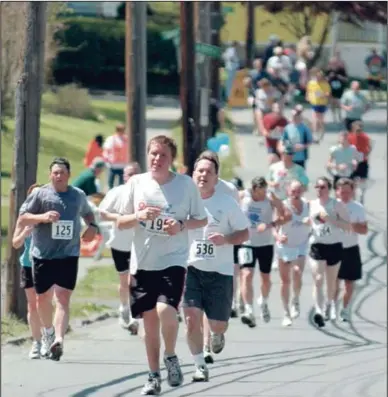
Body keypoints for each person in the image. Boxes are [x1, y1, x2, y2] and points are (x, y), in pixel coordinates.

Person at [116, 135, 207, 396]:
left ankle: (170, 355)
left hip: (174, 260)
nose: (157, 159)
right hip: (143, 263)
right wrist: (138, 216)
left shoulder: (185, 185)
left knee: (166, 309)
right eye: (154, 154)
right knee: (149, 324)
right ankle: (153, 376)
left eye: (163, 155)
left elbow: (200, 220)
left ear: (172, 159)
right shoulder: (136, 183)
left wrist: (180, 226)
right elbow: (121, 222)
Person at [18, 157, 98, 361]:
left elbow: (89, 214)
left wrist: (92, 227)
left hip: (68, 254)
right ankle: (48, 333)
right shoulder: (40, 194)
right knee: (42, 299)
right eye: (55, 172)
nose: (59, 176)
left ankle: (59, 340)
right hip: (43, 255)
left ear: (69, 175)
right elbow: (23, 217)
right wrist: (42, 218)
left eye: (62, 172)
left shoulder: (77, 195)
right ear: (50, 175)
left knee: (62, 298)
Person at [183, 153, 249, 382]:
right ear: (193, 175)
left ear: (216, 177)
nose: (203, 175)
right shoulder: (184, 201)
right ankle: (199, 365)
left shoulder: (227, 202)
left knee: (218, 324)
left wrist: (227, 239)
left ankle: (218, 334)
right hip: (190, 269)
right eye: (199, 171)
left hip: (220, 273)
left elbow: (244, 232)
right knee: (191, 318)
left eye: (208, 172)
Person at [239, 177, 289, 328]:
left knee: (265, 278)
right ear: (253, 189)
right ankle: (248, 310)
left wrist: (269, 224)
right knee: (246, 275)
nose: (263, 195)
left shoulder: (269, 200)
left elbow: (286, 216)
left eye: (265, 192)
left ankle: (263, 301)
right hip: (246, 243)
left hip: (265, 244)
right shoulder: (244, 197)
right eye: (260, 192)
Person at [98, 162, 141, 333]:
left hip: (139, 244)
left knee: (135, 279)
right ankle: (124, 308)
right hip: (120, 243)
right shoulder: (117, 192)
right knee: (125, 280)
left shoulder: (146, 193)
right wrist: (122, 218)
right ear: (124, 177)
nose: (132, 178)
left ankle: (133, 313)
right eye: (129, 174)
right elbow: (102, 213)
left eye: (135, 174)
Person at [12, 184, 53, 359]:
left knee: (45, 302)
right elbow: (15, 243)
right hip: (28, 265)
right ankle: (36, 342)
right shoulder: (24, 218)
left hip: (46, 264)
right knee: (32, 304)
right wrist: (25, 233)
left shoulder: (49, 218)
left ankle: (47, 337)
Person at [308, 176, 350, 327]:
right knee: (318, 279)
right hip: (317, 246)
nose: (319, 190)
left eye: (323, 187)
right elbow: (306, 222)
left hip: (334, 246)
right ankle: (319, 311)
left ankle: (328, 305)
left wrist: (331, 219)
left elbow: (348, 226)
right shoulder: (311, 205)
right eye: (317, 187)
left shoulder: (336, 205)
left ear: (329, 189)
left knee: (331, 282)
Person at [275, 180, 310, 326]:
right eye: (293, 191)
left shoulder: (308, 205)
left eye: (298, 191)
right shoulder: (283, 206)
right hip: (285, 246)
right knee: (285, 281)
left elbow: (320, 218)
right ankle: (286, 313)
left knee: (297, 272)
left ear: (302, 191)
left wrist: (312, 222)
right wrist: (278, 237)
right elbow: (273, 225)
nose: (295, 194)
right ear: (288, 192)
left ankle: (295, 299)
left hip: (301, 245)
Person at [335, 178, 368, 322]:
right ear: (337, 191)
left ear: (352, 192)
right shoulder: (331, 206)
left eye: (348, 192)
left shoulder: (358, 207)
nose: (345, 195)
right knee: (334, 283)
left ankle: (345, 309)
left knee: (349, 283)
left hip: (351, 249)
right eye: (342, 192)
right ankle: (331, 308)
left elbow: (364, 229)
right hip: (334, 248)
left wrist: (352, 225)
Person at [280, 105, 313, 169]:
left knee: (300, 175)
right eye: (294, 116)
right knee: (289, 175)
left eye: (297, 116)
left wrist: (303, 146)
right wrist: (284, 147)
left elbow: (310, 141)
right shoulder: (287, 128)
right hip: (289, 156)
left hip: (301, 157)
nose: (295, 117)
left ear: (300, 116)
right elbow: (283, 140)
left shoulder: (305, 128)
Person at [348, 121, 372, 204]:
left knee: (363, 180)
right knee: (353, 181)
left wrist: (366, 155)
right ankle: (354, 199)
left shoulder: (365, 137)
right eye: (357, 130)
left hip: (363, 162)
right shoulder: (349, 137)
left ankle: (362, 195)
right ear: (353, 129)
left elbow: (369, 147)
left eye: (360, 129)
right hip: (353, 162)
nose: (359, 131)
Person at [306, 67, 331, 142]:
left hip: (322, 103)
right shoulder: (311, 83)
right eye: (317, 76)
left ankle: (321, 131)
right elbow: (308, 91)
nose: (318, 78)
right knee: (315, 118)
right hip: (314, 103)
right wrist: (307, 97)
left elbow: (328, 93)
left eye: (319, 77)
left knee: (321, 119)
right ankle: (314, 134)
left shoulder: (325, 84)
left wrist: (323, 95)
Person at [103, 123, 129, 189]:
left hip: (123, 165)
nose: (123, 132)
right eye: (121, 130)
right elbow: (106, 150)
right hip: (113, 165)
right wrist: (106, 159)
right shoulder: (111, 139)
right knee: (110, 184)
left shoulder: (126, 139)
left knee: (121, 185)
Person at [325, 56, 348, 123]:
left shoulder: (341, 70)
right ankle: (334, 117)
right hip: (331, 89)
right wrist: (329, 77)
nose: (334, 64)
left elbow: (346, 79)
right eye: (332, 63)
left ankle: (339, 116)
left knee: (339, 103)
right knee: (332, 103)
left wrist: (340, 77)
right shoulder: (328, 70)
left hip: (339, 90)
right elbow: (325, 80)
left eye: (335, 63)